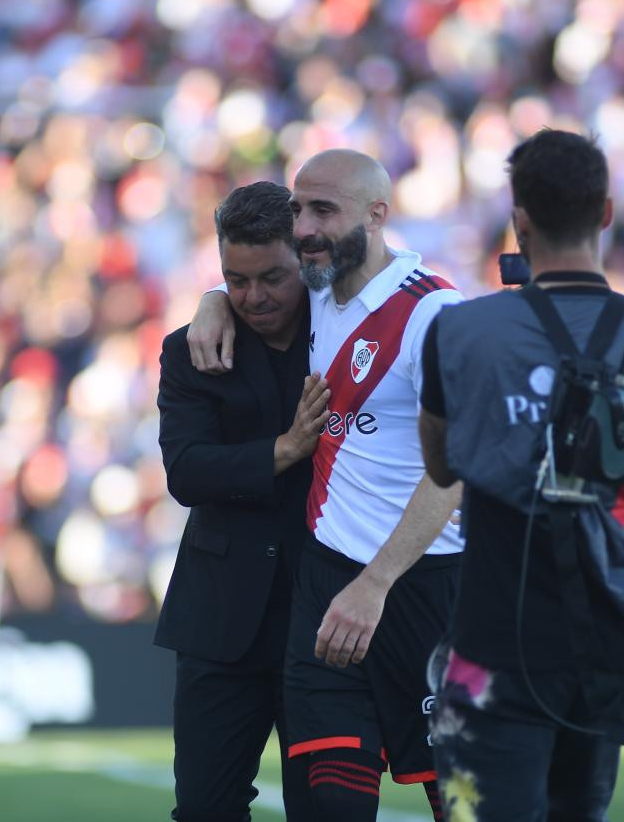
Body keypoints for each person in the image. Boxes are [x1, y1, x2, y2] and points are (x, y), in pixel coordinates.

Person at [418, 129, 624, 821]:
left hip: (498, 635)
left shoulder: (462, 334)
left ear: (518, 219)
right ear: (606, 213)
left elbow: (441, 467)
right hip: (616, 640)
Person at [188, 149, 464, 822]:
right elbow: (254, 283)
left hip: (425, 586)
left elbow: (452, 471)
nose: (303, 227)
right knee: (328, 807)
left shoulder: (434, 315)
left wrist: (377, 583)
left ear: (377, 215)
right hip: (326, 581)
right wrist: (213, 301)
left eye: (323, 210)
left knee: (464, 805)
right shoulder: (315, 291)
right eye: (298, 209)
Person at [155, 181, 328, 821]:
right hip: (219, 622)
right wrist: (284, 450)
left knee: (325, 810)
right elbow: (186, 471)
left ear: (306, 259)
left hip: (321, 618)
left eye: (272, 277)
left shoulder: (343, 332)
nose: (254, 297)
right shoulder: (189, 349)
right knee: (204, 810)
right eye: (235, 279)